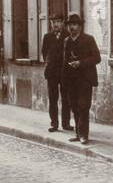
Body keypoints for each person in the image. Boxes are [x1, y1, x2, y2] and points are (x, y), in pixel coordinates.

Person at [63, 13, 101, 145]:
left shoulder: (88, 39)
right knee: (74, 105)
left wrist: (80, 63)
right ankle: (78, 133)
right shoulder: (67, 41)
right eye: (69, 25)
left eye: (74, 25)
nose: (72, 27)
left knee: (83, 106)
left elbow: (97, 58)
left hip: (85, 79)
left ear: (80, 26)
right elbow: (65, 60)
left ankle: (84, 134)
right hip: (71, 80)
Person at [41, 12, 72, 133]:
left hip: (65, 72)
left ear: (63, 23)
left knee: (66, 99)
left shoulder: (68, 35)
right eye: (53, 22)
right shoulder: (47, 37)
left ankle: (66, 123)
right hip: (52, 73)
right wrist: (50, 64)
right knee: (53, 99)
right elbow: (44, 53)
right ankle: (54, 124)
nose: (55, 24)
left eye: (58, 22)